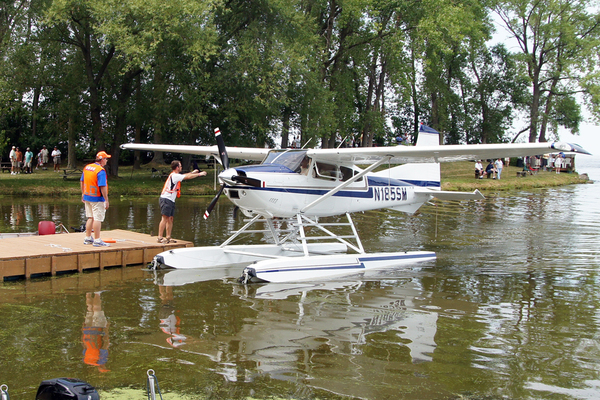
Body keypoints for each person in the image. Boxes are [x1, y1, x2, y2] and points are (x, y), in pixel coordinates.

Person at [158, 160, 206, 244]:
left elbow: (184, 175)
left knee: (170, 218)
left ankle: (168, 237)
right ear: (177, 168)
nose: (181, 167)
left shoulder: (176, 175)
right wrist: (199, 174)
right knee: (165, 218)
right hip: (166, 199)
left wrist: (192, 172)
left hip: (171, 200)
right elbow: (187, 177)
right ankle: (160, 237)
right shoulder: (174, 176)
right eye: (180, 166)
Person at [81, 151, 111, 247]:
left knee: (90, 217)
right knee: (98, 218)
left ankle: (88, 237)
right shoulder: (100, 170)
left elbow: (82, 181)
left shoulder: (87, 167)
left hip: (87, 196)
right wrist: (106, 200)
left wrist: (83, 193)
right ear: (102, 159)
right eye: (106, 159)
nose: (107, 160)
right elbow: (102, 186)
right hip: (97, 198)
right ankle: (97, 239)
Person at [82, 292, 110, 372]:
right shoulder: (87, 358)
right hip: (87, 331)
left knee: (97, 309)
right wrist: (82, 329)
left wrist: (106, 329)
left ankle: (97, 293)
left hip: (98, 330)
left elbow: (105, 343)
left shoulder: (102, 359)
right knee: (90, 309)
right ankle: (88, 293)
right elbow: (84, 345)